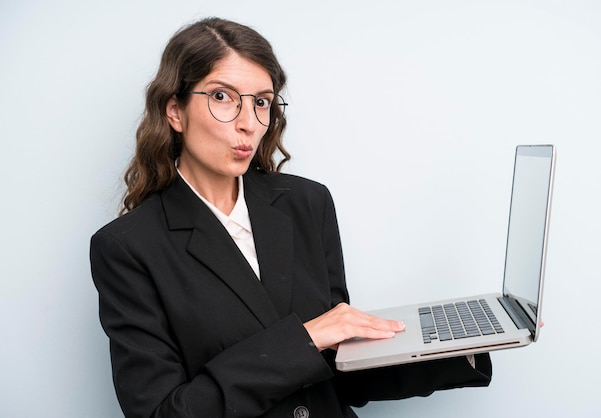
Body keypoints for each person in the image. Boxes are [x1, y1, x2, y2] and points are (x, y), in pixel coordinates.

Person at [90, 17, 492, 418]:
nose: (248, 123)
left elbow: (338, 368)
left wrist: (469, 344)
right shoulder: (127, 248)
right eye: (222, 97)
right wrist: (304, 339)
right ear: (175, 111)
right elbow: (163, 413)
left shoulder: (307, 203)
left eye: (261, 101)